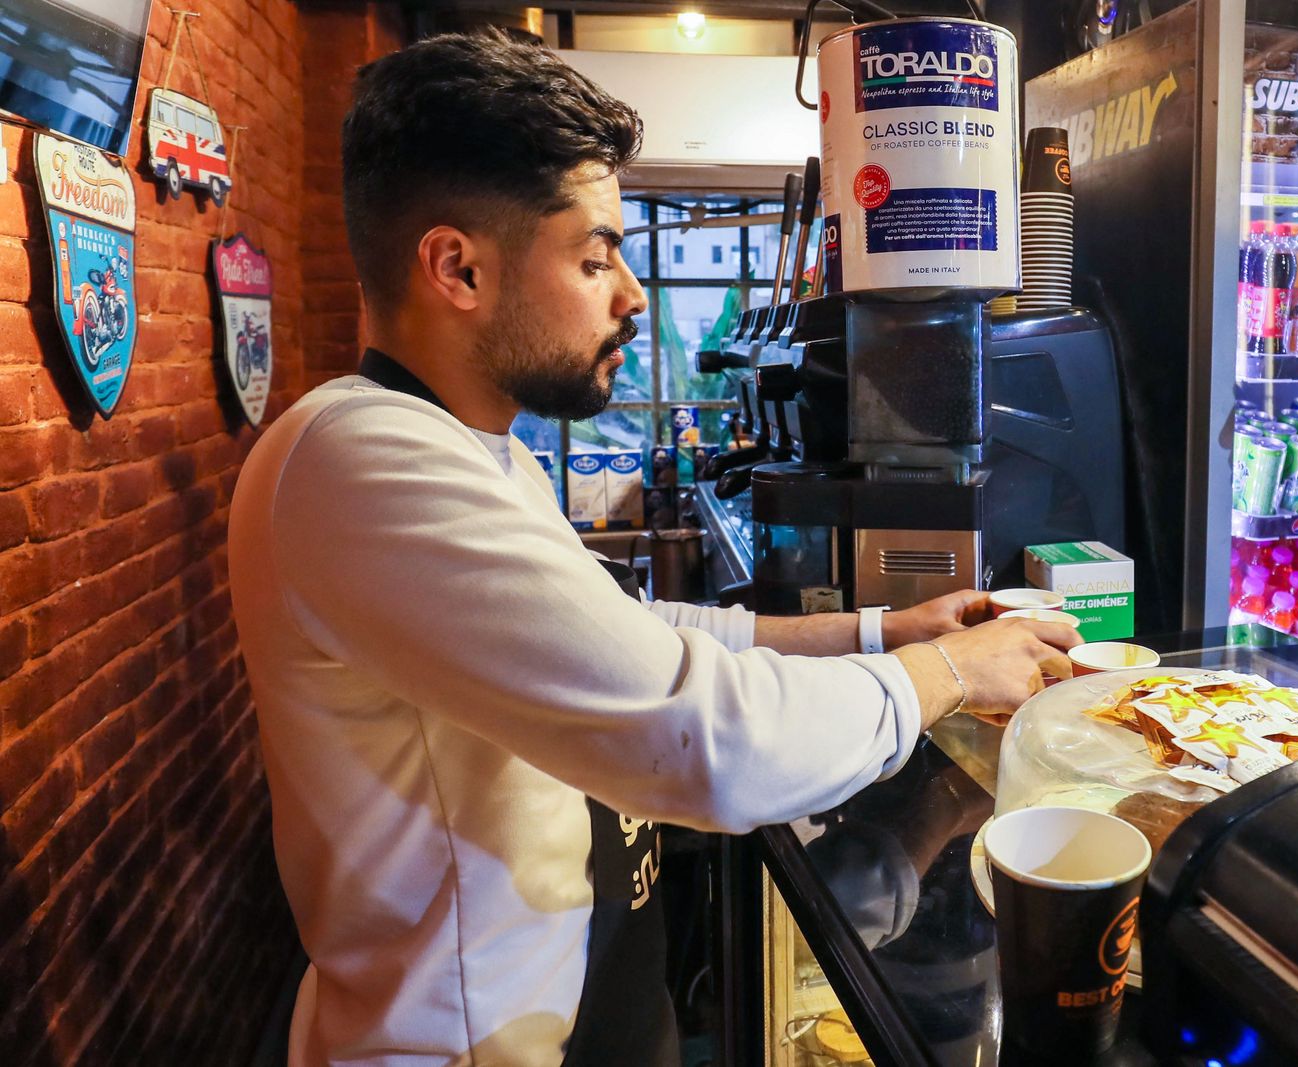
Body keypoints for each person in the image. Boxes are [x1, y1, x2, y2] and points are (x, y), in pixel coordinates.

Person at [228, 31, 1081, 1067]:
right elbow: (702, 739)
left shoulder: (482, 453)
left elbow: (632, 632)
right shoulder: (357, 455)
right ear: (457, 267)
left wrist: (881, 628)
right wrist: (946, 672)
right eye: (595, 257)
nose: (631, 294)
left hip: (569, 1003)